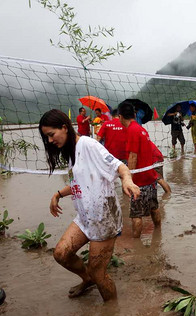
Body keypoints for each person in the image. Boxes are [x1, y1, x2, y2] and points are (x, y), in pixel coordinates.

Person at [39, 109, 140, 299]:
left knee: (99, 273)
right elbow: (80, 183)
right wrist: (58, 194)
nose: (50, 141)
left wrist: (127, 180)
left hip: (104, 217)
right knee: (61, 254)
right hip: (85, 216)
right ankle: (87, 279)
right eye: (47, 137)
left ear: (64, 127)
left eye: (51, 135)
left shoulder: (88, 145)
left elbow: (120, 166)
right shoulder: (70, 152)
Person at [118, 102, 161, 238]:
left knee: (136, 215)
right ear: (135, 114)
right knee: (154, 208)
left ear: (120, 116)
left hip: (140, 182)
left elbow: (132, 157)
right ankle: (158, 235)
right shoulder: (141, 129)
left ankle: (137, 244)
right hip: (150, 178)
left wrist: (129, 180)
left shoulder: (132, 130)